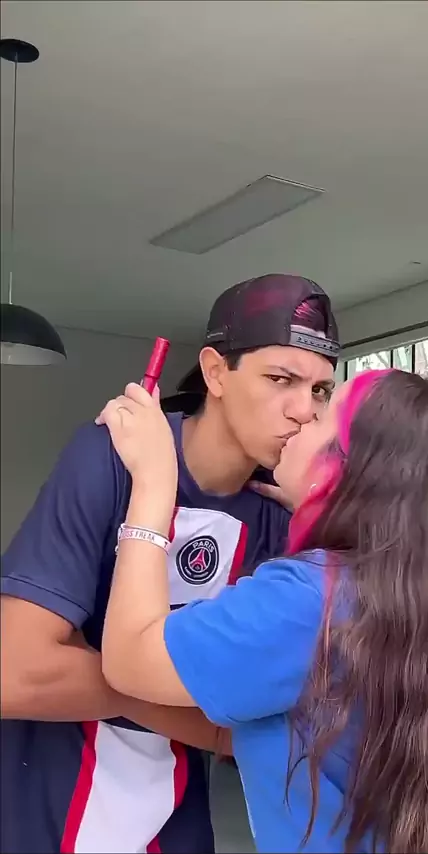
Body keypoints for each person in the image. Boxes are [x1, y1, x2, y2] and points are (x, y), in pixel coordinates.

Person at [0, 273, 340, 854]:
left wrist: (122, 672)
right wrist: (172, 690)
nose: (304, 411)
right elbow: (15, 671)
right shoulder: (113, 456)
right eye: (280, 379)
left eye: (321, 391)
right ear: (216, 372)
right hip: (51, 797)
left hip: (177, 809)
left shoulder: (283, 514)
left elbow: (267, 726)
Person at [98, 369, 428, 854]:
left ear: (341, 470)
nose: (302, 414)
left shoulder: (307, 603)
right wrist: (315, 506)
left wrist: (153, 485)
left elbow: (130, 658)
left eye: (321, 411)